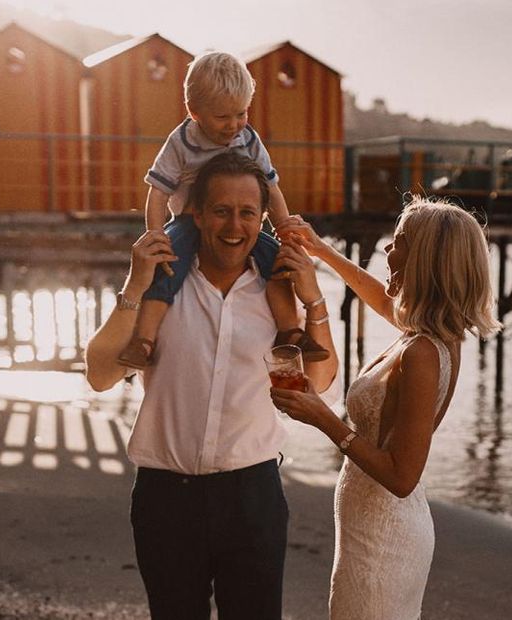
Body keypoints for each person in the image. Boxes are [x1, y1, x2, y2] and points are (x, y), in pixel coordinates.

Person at [85, 152, 340, 620]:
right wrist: (134, 284)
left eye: (247, 213)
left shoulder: (278, 292)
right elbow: (100, 376)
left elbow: (318, 383)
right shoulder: (163, 286)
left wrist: (315, 300)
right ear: (197, 214)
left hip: (253, 498)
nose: (234, 226)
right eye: (221, 210)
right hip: (166, 499)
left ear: (262, 218)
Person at [272, 197, 501, 619]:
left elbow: (401, 476)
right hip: (371, 528)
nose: (386, 250)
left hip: (384, 540)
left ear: (426, 260)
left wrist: (323, 418)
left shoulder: (422, 354)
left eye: (399, 243)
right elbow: (380, 299)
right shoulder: (430, 335)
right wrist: (321, 251)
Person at [117, 50, 329, 369]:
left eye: (240, 114)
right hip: (190, 219)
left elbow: (270, 187)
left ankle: (290, 332)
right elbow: (158, 192)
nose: (233, 125)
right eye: (222, 117)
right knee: (167, 267)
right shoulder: (181, 142)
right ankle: (144, 341)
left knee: (277, 263)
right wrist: (155, 234)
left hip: (239, 219)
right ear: (195, 111)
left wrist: (284, 228)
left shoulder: (248, 137)